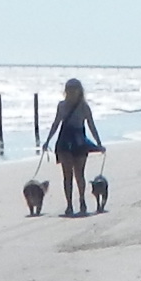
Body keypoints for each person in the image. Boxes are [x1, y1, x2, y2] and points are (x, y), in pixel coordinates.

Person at [40, 79, 103, 215]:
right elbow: (56, 123)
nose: (71, 92)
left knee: (79, 174)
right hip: (64, 140)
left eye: (74, 89)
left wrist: (98, 143)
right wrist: (47, 141)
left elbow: (91, 125)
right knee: (67, 175)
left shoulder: (84, 107)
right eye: (69, 89)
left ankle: (82, 200)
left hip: (79, 141)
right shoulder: (61, 106)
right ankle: (69, 205)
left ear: (80, 90)